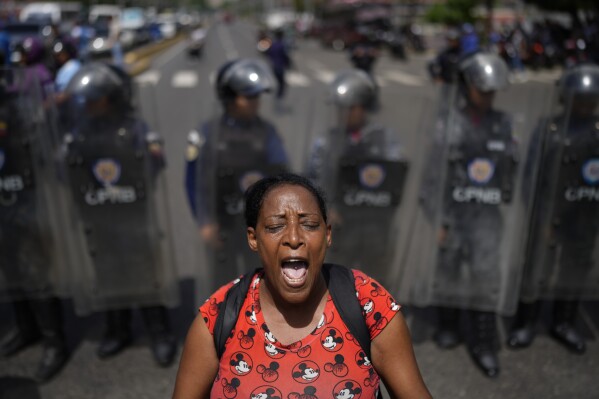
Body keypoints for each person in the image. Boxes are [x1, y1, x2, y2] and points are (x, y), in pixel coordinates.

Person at [172, 172, 432, 398]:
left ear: (327, 235)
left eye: (309, 225)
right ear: (253, 239)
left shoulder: (368, 303)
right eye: (275, 226)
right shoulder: (218, 316)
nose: (294, 238)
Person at [62, 62, 178, 367]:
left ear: (113, 98)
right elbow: (66, 170)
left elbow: (155, 163)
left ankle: (159, 332)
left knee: (145, 274)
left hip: (134, 216)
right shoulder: (79, 131)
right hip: (98, 218)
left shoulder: (136, 129)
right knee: (109, 274)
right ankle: (117, 329)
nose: (88, 105)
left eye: (95, 98)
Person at [412, 52, 521, 378]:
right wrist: (438, 219)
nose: (487, 97)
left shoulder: (502, 123)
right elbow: (432, 178)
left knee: (485, 275)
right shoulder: (448, 122)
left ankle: (485, 342)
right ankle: (448, 323)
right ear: (465, 87)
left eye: (491, 91)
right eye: (481, 89)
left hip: (486, 214)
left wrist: (506, 191)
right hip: (453, 213)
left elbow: (511, 169)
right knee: (449, 268)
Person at [507, 63, 599, 354]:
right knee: (536, 269)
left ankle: (564, 322)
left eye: (591, 99)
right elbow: (531, 175)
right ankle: (526, 321)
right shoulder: (549, 128)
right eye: (580, 98)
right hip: (548, 213)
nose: (585, 105)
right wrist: (535, 215)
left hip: (584, 213)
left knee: (575, 268)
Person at [185, 58, 289, 291]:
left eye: (257, 97)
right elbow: (195, 183)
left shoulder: (267, 132)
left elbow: (282, 177)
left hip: (260, 226)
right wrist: (205, 222)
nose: (256, 103)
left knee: (263, 285)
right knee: (223, 287)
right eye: (249, 97)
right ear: (230, 98)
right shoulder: (207, 135)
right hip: (222, 224)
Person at [0, 66, 69, 382]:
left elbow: (39, 153)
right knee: (10, 269)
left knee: (36, 272)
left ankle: (54, 341)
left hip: (25, 198)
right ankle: (25, 328)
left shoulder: (18, 108)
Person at [307, 69, 406, 282]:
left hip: (376, 225)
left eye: (351, 108)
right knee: (335, 282)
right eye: (340, 108)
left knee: (375, 284)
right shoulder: (326, 142)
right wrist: (325, 210)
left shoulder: (384, 139)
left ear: (365, 108)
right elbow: (313, 181)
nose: (344, 114)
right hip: (340, 226)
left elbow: (395, 177)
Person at [265, 29, 292, 101]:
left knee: (279, 82)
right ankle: (279, 97)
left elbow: (269, 53)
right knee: (282, 83)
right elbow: (285, 55)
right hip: (280, 66)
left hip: (274, 65)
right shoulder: (282, 45)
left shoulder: (273, 44)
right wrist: (288, 63)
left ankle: (278, 96)